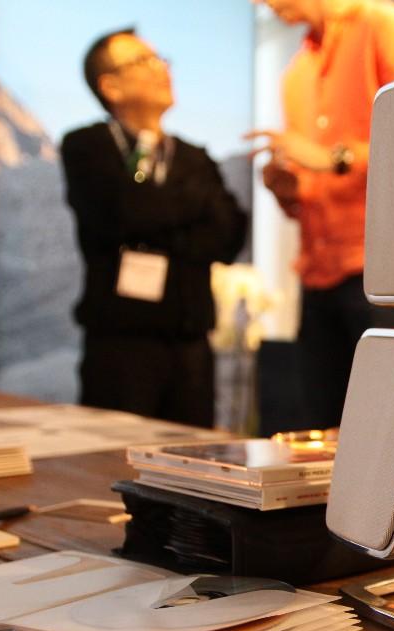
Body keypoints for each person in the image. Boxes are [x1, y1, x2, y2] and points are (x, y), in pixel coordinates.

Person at [246, 0, 394, 430]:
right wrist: (292, 191)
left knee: (393, 431)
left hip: (388, 274)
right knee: (324, 431)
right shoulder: (296, 71)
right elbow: (317, 181)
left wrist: (336, 158)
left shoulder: (383, 25)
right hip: (319, 276)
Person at [61, 28, 247, 428]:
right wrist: (186, 216)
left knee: (191, 456)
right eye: (143, 61)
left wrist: (152, 226)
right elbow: (119, 214)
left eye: (161, 59)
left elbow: (228, 235)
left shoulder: (194, 157)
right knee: (114, 451)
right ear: (110, 85)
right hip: (119, 344)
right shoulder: (87, 146)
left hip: (191, 345)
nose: (161, 69)